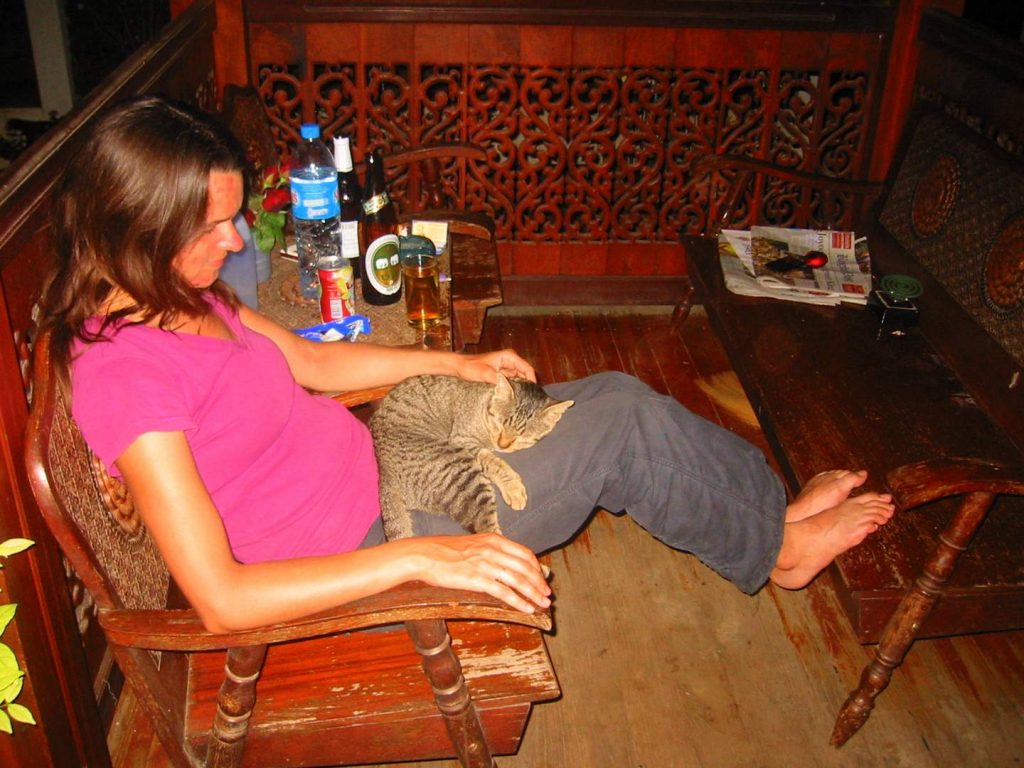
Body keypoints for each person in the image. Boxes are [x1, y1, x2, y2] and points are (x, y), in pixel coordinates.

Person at [39, 95, 894, 634]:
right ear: (139, 228)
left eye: (234, 217)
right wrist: (421, 559)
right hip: (368, 550)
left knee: (613, 391)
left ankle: (766, 519)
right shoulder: (124, 376)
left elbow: (304, 360)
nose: (235, 242)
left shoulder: (177, 293)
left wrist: (459, 362)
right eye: (213, 226)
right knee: (623, 429)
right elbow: (223, 599)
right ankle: (779, 551)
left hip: (397, 470)